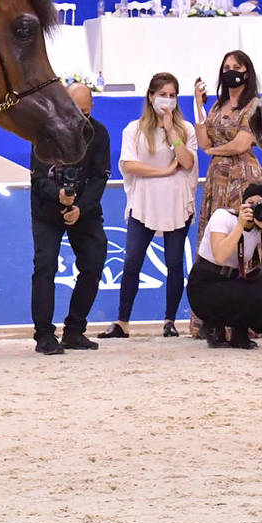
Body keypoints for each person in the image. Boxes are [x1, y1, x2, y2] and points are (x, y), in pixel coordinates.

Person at [100, 73, 197, 339]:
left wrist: (171, 131)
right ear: (150, 96)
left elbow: (187, 162)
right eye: (162, 94)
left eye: (172, 95)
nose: (167, 100)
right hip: (144, 203)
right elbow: (129, 164)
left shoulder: (185, 129)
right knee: (132, 261)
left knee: (175, 262)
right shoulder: (134, 129)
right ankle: (123, 322)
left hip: (176, 203)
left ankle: (170, 320)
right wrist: (164, 171)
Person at [193, 49, 262, 338]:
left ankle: (249, 317)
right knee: (218, 242)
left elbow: (241, 143)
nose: (231, 71)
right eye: (226, 66)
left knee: (247, 240)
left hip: (243, 177)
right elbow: (202, 138)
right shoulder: (216, 107)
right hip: (217, 179)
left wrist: (213, 151)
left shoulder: (254, 105)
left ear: (247, 71)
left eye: (236, 66)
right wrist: (198, 109)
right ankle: (214, 317)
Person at [30, 83, 111, 354]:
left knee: (94, 260)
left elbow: (101, 176)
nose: (80, 118)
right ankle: (43, 334)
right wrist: (59, 197)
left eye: (85, 113)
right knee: (45, 265)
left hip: (85, 208)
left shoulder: (99, 133)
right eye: (75, 111)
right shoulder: (44, 131)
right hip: (46, 209)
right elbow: (39, 178)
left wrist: (80, 208)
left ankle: (75, 330)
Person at [187, 183, 262, 349]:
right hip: (205, 285)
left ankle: (239, 332)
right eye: (250, 203)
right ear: (242, 203)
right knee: (239, 291)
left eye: (259, 204)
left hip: (232, 282)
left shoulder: (259, 230)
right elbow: (220, 256)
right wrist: (240, 225)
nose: (253, 208)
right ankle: (213, 326)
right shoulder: (223, 216)